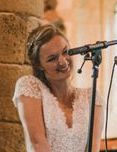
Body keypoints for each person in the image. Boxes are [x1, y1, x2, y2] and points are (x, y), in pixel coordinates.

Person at [13, 24, 104, 152]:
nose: (62, 61)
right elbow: (37, 143)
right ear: (39, 65)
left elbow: (93, 148)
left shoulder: (92, 98)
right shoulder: (30, 87)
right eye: (52, 58)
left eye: (65, 52)